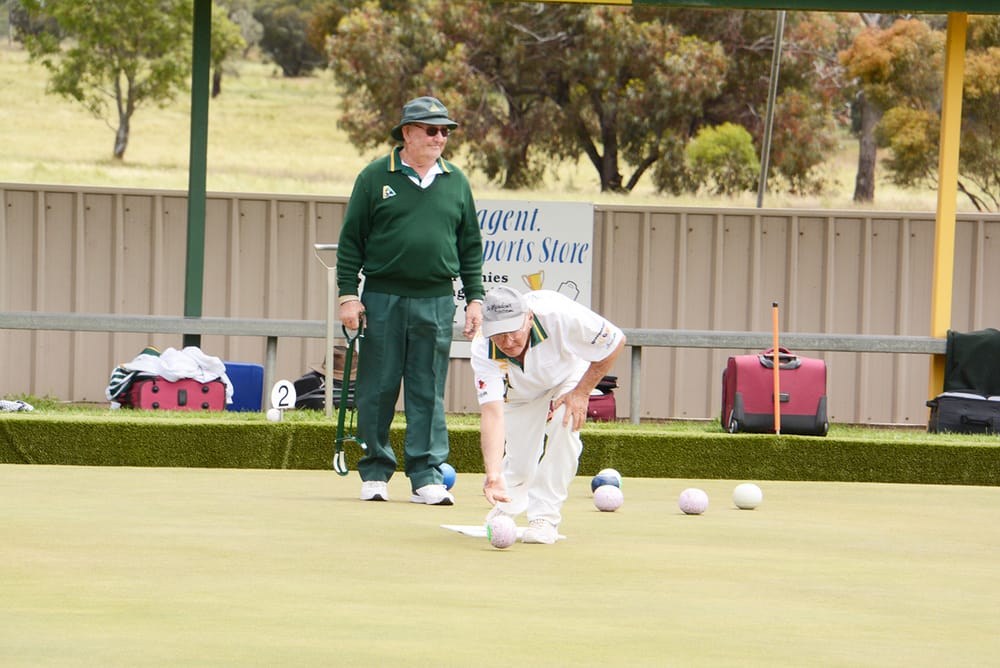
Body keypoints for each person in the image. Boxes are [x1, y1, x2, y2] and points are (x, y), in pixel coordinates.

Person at [337, 96, 484, 506]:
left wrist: (474, 299)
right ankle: (375, 471)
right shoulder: (373, 177)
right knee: (377, 386)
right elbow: (351, 242)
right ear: (407, 133)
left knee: (427, 389)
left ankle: (426, 476)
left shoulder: (456, 181)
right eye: (432, 130)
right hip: (381, 297)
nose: (440, 138)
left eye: (445, 131)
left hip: (436, 299)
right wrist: (349, 295)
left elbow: (470, 246)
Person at [471, 286, 626, 544]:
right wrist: (493, 474)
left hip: (567, 376)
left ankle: (544, 517)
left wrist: (582, 392)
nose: (508, 343)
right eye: (499, 336)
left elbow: (615, 340)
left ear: (528, 317)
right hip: (519, 393)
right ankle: (508, 503)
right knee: (520, 463)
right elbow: (492, 414)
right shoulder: (482, 347)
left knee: (565, 422)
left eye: (513, 332)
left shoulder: (559, 313)